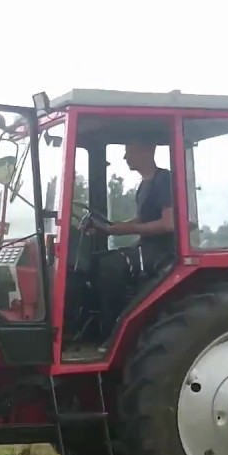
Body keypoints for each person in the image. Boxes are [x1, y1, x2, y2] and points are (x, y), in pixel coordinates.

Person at [92, 143, 177, 340]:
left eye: (128, 151)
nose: (124, 157)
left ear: (146, 151)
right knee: (96, 260)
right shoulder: (144, 184)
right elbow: (141, 220)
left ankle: (115, 333)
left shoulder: (164, 180)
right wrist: (111, 227)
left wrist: (126, 229)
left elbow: (168, 223)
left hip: (163, 251)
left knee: (109, 266)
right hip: (145, 247)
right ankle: (95, 329)